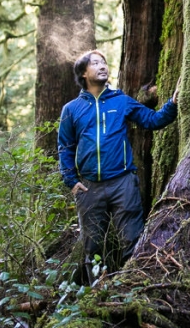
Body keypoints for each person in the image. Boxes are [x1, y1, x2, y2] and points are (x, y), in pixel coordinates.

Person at [57, 49, 178, 280]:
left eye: (103, 62)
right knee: (92, 247)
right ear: (83, 73)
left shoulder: (121, 101)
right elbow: (65, 147)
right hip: (89, 187)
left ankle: (133, 287)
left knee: (132, 241)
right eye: (95, 63)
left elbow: (152, 120)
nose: (102, 66)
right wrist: (71, 181)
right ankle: (96, 294)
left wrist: (172, 103)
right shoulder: (71, 109)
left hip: (123, 183)